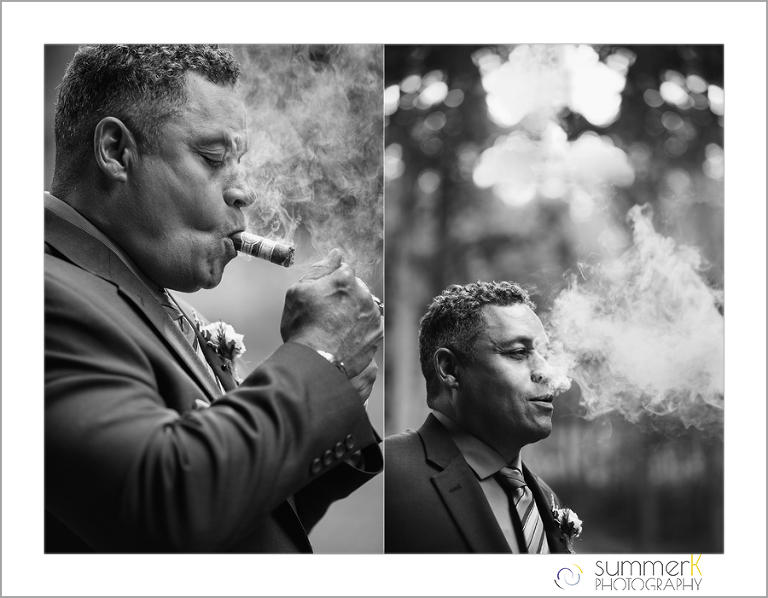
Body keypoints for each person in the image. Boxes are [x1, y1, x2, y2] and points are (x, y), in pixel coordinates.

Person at [44, 45, 383, 553]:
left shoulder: (153, 296)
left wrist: (333, 392)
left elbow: (241, 519)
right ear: (115, 151)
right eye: (212, 158)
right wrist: (316, 359)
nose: (244, 192)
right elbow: (168, 505)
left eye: (239, 162)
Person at [385, 281, 575, 553]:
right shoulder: (389, 473)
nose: (547, 372)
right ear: (449, 369)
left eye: (544, 354)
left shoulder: (545, 497)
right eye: (518, 352)